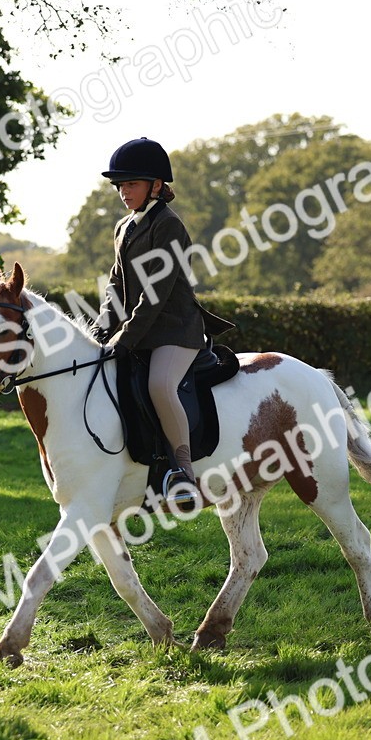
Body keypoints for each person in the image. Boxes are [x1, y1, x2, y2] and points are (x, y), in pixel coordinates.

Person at [95, 137, 234, 508]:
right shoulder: (124, 227)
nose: (124, 192)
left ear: (156, 185)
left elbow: (154, 294)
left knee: (159, 384)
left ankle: (183, 472)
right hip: (141, 331)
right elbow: (116, 284)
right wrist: (102, 326)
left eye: (132, 184)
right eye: (120, 185)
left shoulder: (169, 225)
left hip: (175, 329)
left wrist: (124, 338)